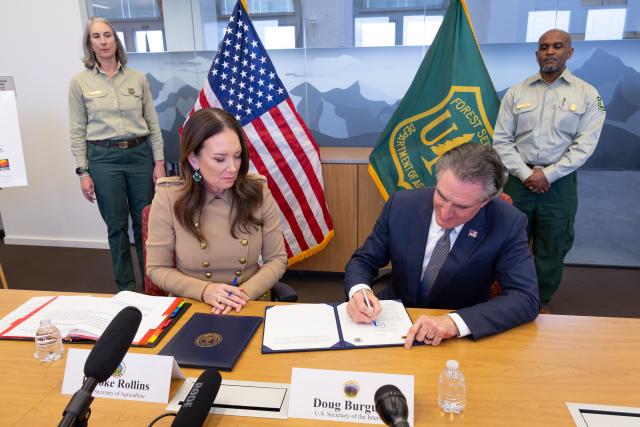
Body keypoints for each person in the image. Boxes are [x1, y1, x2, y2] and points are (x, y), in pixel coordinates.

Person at [344, 143, 539, 347]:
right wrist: (358, 290)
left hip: (456, 334)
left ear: (485, 202)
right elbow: (364, 260)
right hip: (390, 319)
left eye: (461, 206)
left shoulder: (507, 222)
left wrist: (453, 322)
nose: (445, 213)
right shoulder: (402, 204)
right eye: (442, 197)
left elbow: (525, 296)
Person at [493, 29, 605, 313]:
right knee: (507, 240)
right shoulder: (516, 92)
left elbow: (585, 145)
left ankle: (538, 300)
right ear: (537, 54)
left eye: (557, 46)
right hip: (519, 179)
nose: (550, 52)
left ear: (570, 52)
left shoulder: (588, 94)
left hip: (560, 183)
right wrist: (526, 174)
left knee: (553, 244)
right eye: (544, 47)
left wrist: (549, 174)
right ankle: (508, 295)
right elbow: (502, 140)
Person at [145, 108, 288, 314]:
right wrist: (205, 290)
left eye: (237, 157)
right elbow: (157, 268)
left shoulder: (257, 192)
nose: (232, 168)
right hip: (194, 301)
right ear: (194, 159)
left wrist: (243, 294)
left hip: (248, 301)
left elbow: (277, 259)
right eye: (220, 159)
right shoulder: (169, 196)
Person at [68, 17, 166, 292]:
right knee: (116, 227)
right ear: (90, 44)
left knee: (145, 225)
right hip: (103, 159)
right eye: (96, 36)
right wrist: (83, 172)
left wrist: (158, 162)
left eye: (107, 35)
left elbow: (153, 124)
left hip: (139, 156)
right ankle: (126, 289)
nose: (103, 41)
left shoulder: (137, 78)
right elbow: (77, 131)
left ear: (115, 40)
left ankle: (152, 287)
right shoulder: (80, 83)